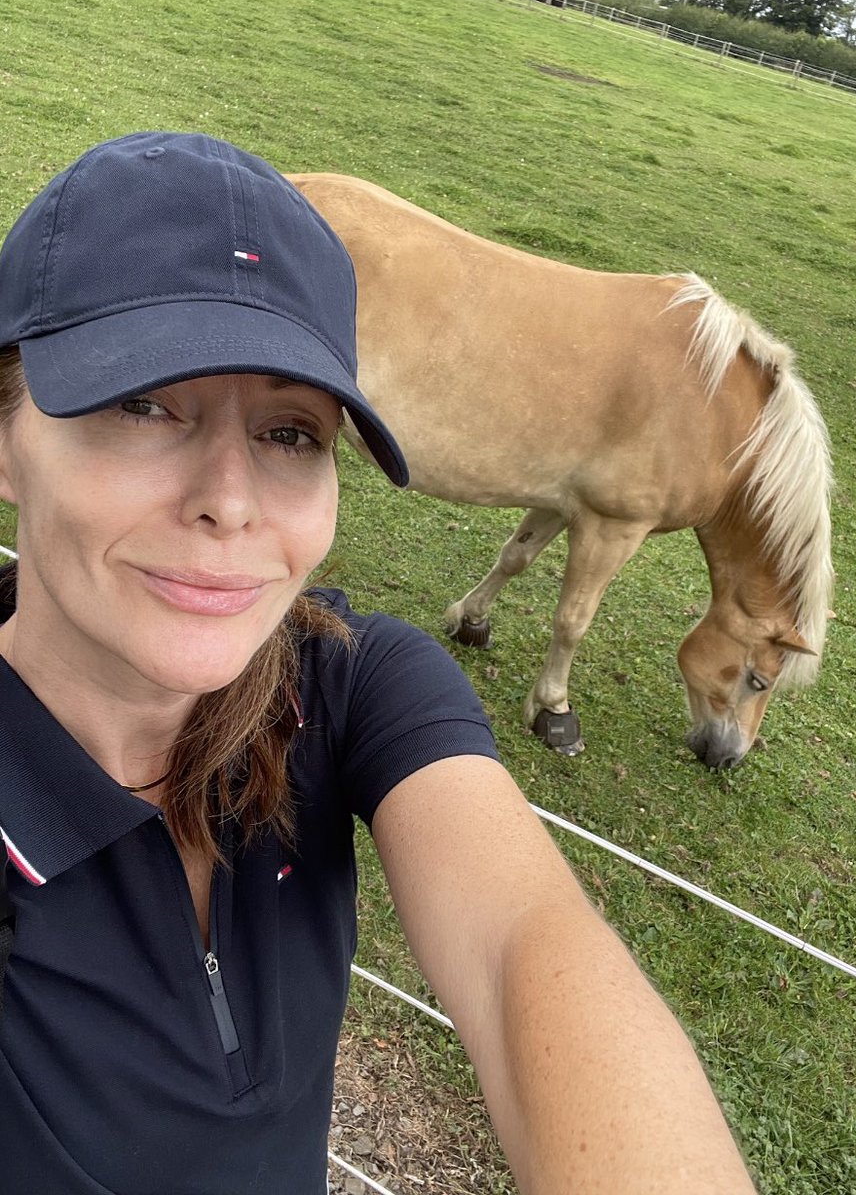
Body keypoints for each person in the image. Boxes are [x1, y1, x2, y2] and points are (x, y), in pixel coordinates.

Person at [0, 131, 756, 1195]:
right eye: (145, 403)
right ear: (6, 436)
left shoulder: (349, 681)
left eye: (291, 433)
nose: (230, 498)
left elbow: (516, 951)